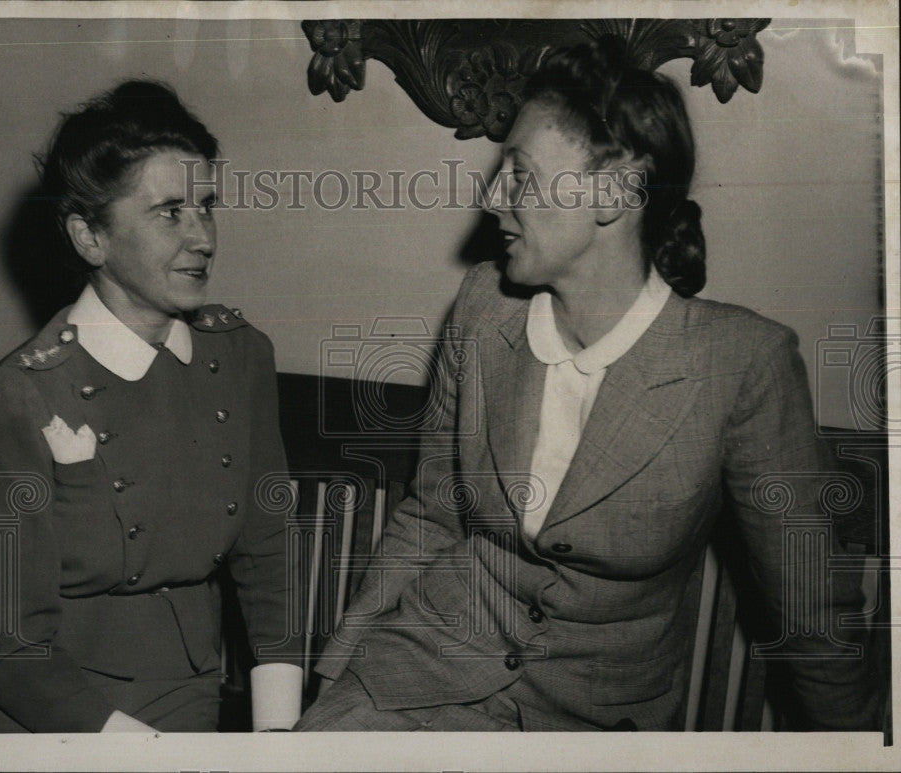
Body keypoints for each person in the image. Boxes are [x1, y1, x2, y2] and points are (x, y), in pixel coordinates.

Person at [296, 38, 883, 731]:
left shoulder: (742, 365)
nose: (492, 198)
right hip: (416, 674)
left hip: (590, 725)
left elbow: (811, 614)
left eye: (519, 173)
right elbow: (430, 515)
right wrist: (331, 685)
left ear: (616, 191)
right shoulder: (483, 306)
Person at [0, 80, 299, 732]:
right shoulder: (18, 396)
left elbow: (267, 559)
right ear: (90, 238)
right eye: (169, 212)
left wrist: (279, 737)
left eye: (206, 207)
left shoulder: (241, 358)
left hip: (181, 680)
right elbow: (7, 645)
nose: (203, 237)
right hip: (32, 701)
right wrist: (133, 748)